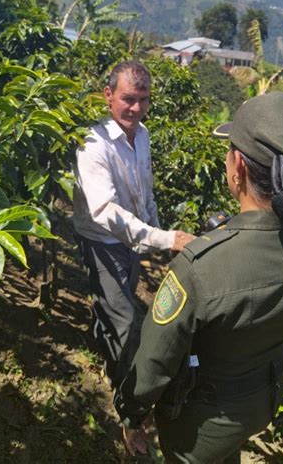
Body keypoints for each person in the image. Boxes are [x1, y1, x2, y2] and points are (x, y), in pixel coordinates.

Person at [114, 91, 283, 463]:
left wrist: (131, 415)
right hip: (264, 397)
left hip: (201, 423)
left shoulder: (201, 268)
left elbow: (154, 364)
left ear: (237, 166)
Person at [73, 60, 194, 395]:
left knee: (120, 300)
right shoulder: (94, 144)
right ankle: (128, 399)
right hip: (101, 242)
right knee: (127, 323)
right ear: (108, 95)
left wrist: (156, 236)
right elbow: (104, 212)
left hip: (131, 240)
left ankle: (104, 339)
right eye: (128, 99)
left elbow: (145, 191)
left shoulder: (142, 136)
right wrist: (165, 238)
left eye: (143, 100)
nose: (136, 108)